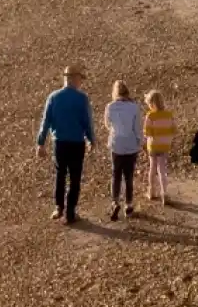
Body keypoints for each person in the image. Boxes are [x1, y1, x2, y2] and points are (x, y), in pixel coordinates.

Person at [35, 67, 93, 225]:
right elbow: (86, 121)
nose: (81, 82)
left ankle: (59, 207)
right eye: (80, 78)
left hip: (59, 142)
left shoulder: (53, 97)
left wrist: (40, 143)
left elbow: (45, 121)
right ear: (75, 79)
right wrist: (91, 139)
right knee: (75, 177)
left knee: (60, 175)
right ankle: (70, 213)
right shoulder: (82, 98)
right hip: (76, 142)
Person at [105, 81, 145, 221]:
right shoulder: (134, 107)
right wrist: (141, 142)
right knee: (128, 176)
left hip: (117, 144)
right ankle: (128, 204)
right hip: (130, 144)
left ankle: (115, 201)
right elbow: (137, 128)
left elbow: (107, 124)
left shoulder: (110, 107)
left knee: (116, 174)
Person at [141, 89, 178, 208]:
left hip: (153, 145)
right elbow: (173, 130)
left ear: (151, 104)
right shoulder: (169, 115)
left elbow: (147, 132)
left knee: (152, 168)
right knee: (162, 170)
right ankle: (164, 193)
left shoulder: (150, 116)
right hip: (164, 145)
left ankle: (151, 191)